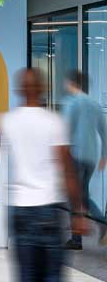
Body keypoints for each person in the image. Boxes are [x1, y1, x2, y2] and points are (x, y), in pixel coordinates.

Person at [0, 68, 86, 282]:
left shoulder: (7, 122)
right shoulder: (53, 122)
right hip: (48, 207)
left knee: (25, 277)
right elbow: (66, 167)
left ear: (19, 90)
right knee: (53, 275)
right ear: (43, 88)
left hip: (19, 207)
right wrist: (79, 211)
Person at [62, 69, 107, 250]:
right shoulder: (95, 104)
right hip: (91, 157)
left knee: (75, 196)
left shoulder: (71, 103)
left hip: (76, 155)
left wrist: (62, 156)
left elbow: (66, 131)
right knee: (83, 195)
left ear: (72, 83)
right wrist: (104, 156)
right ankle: (95, 225)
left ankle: (78, 238)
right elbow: (104, 132)